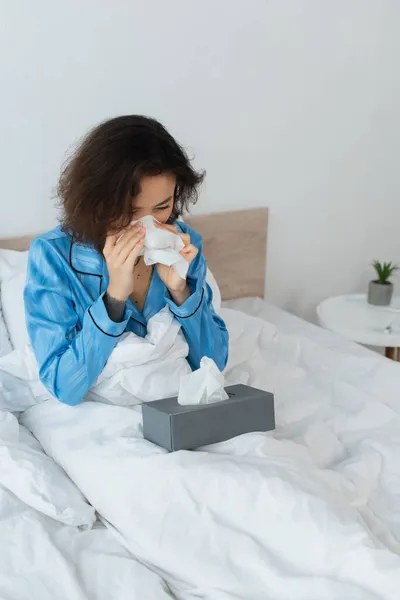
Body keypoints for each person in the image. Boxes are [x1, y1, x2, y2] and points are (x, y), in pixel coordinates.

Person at [24, 115, 229, 406]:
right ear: (97, 200)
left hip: (177, 413)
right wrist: (114, 299)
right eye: (130, 211)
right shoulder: (53, 256)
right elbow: (63, 385)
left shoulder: (183, 243)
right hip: (101, 420)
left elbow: (213, 364)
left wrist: (180, 291)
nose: (146, 224)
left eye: (162, 207)